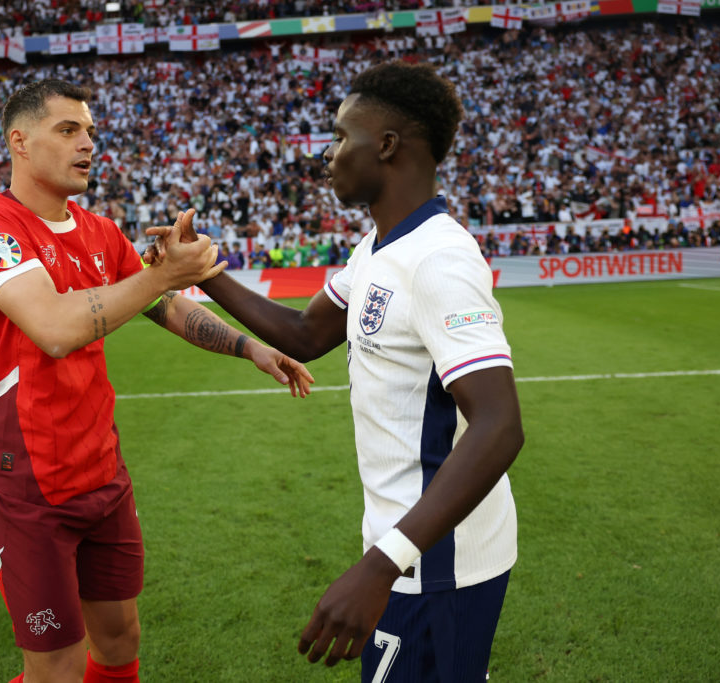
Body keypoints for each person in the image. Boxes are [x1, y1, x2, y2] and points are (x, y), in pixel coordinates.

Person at [147, 61, 523, 681]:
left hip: (433, 564)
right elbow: (305, 333)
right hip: (412, 549)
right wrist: (204, 271)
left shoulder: (439, 261)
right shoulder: (378, 249)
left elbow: (500, 426)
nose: (327, 153)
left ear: (387, 145)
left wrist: (382, 565)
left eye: (341, 137)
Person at [0, 78, 312, 683]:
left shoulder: (98, 231)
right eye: (68, 130)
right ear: (20, 140)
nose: (87, 144)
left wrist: (250, 347)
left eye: (90, 131)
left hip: (102, 472)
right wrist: (162, 275)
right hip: (28, 486)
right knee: (58, 669)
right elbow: (57, 328)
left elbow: (167, 307)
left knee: (119, 640)